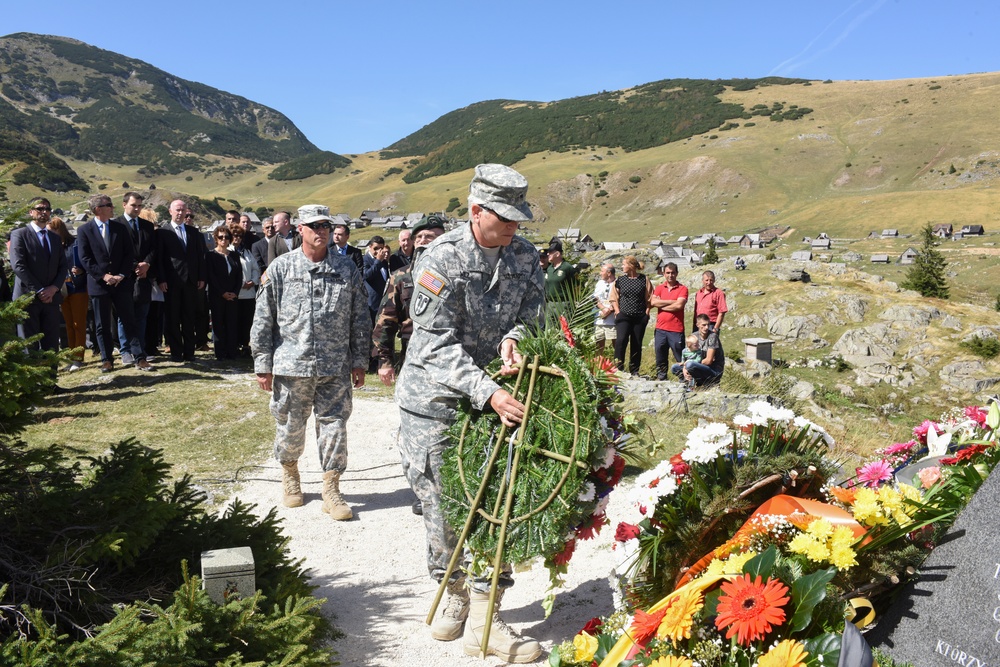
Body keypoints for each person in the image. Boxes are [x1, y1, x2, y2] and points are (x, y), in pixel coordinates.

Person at [395, 164, 544, 662]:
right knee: (439, 503)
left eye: (519, 218)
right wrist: (487, 390)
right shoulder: (441, 258)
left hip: (493, 400)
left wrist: (514, 340)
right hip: (434, 402)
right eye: (504, 218)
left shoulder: (525, 255)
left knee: (495, 501)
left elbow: (531, 316)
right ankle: (453, 591)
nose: (514, 228)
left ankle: (488, 617)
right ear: (475, 210)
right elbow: (433, 343)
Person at [250, 209, 370, 522]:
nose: (322, 231)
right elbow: (264, 316)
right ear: (300, 229)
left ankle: (331, 489)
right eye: (315, 226)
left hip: (335, 365)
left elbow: (360, 316)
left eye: (327, 226)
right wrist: (262, 362)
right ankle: (290, 474)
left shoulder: (346, 268)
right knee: (291, 426)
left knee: (334, 425)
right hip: (293, 365)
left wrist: (359, 360)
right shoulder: (281, 268)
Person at [77, 194, 151, 373]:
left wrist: (122, 275)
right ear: (97, 209)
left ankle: (139, 357)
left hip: (121, 283)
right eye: (108, 205)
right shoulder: (84, 230)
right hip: (99, 285)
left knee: (129, 320)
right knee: (102, 324)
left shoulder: (120, 228)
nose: (112, 207)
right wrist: (103, 276)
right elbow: (85, 258)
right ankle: (107, 359)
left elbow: (128, 254)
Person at [373, 214, 446, 387]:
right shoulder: (400, 277)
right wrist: (384, 361)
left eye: (430, 236)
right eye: (419, 237)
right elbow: (386, 320)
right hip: (412, 355)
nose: (423, 240)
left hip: (449, 354)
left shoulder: (457, 275)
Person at [9, 197, 67, 354]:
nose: (44, 212)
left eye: (47, 209)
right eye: (40, 208)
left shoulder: (55, 238)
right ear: (31, 212)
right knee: (30, 345)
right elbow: (18, 266)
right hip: (27, 298)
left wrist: (54, 288)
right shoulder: (19, 235)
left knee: (51, 344)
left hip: (51, 299)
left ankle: (51, 377)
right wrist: (40, 290)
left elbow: (63, 266)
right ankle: (35, 379)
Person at [156, 200, 206, 362]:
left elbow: (200, 257)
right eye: (177, 210)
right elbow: (160, 259)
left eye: (183, 210)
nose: (180, 213)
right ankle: (176, 353)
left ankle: (189, 352)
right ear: (170, 211)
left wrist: (201, 277)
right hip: (171, 282)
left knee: (189, 318)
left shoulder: (194, 232)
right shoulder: (163, 232)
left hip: (191, 282)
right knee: (172, 318)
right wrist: (161, 279)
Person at [114, 192, 156, 364]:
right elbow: (115, 251)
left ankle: (140, 350)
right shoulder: (116, 224)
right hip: (124, 277)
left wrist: (146, 264)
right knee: (124, 316)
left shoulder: (147, 225)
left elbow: (153, 249)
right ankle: (125, 351)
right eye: (134, 205)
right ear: (124, 205)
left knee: (141, 315)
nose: (137, 208)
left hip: (143, 277)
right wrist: (134, 266)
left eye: (140, 205)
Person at [47, 217, 87, 370]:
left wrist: (81, 270)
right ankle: (72, 357)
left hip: (78, 288)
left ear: (59, 229)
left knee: (78, 324)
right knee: (69, 325)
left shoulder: (75, 243)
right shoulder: (53, 246)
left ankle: (78, 358)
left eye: (52, 231)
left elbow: (84, 260)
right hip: (62, 289)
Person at [609, 255, 652, 376]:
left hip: (639, 317)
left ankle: (634, 370)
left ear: (631, 266)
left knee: (636, 343)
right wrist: (617, 312)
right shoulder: (620, 280)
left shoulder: (644, 279)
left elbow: (649, 298)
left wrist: (647, 313)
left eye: (624, 264)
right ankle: (618, 368)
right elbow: (613, 298)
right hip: (624, 316)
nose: (622, 266)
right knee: (621, 341)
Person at [206, 226, 242, 360]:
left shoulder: (234, 255)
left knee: (232, 324)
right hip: (217, 295)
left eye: (226, 237)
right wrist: (222, 293)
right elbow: (211, 276)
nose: (224, 239)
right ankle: (220, 353)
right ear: (216, 238)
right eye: (221, 237)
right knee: (218, 324)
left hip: (233, 296)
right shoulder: (210, 255)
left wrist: (235, 292)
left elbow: (239, 276)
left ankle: (232, 352)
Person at [649, 262, 688, 380]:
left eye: (673, 273)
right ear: (664, 274)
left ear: (677, 273)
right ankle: (662, 378)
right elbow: (653, 302)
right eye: (668, 273)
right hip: (660, 329)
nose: (670, 275)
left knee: (680, 357)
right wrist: (672, 301)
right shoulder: (660, 288)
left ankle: (684, 379)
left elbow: (679, 306)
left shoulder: (683, 288)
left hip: (676, 329)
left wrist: (662, 305)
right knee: (660, 355)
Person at [230, 224, 261, 357]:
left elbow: (256, 269)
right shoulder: (228, 251)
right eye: (235, 235)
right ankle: (234, 344)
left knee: (247, 321)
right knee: (234, 321)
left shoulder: (247, 252)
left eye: (240, 236)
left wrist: (253, 281)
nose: (237, 238)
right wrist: (240, 283)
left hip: (248, 293)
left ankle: (245, 344)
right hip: (235, 293)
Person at [672, 313, 725, 387]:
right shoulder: (694, 336)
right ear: (697, 325)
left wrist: (688, 365)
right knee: (675, 368)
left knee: (690, 365)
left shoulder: (713, 337)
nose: (706, 327)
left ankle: (708, 383)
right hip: (697, 366)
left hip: (713, 370)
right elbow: (688, 355)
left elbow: (709, 361)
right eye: (703, 325)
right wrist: (685, 368)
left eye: (708, 325)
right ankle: (687, 382)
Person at [362, 235, 390, 325]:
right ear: (370, 247)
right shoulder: (365, 260)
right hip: (372, 305)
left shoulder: (384, 262)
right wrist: (377, 261)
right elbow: (367, 275)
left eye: (381, 248)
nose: (378, 251)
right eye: (375, 248)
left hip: (384, 303)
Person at [592, 262, 616, 356]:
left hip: (613, 321)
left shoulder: (617, 283)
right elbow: (595, 298)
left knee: (616, 344)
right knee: (598, 345)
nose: (600, 273)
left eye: (602, 271)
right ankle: (598, 366)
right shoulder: (599, 283)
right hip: (599, 319)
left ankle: (617, 366)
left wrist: (608, 311)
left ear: (609, 273)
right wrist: (603, 309)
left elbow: (619, 300)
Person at [692, 269, 728, 334]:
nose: (709, 282)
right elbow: (695, 311)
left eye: (711, 280)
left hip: (710, 325)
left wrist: (716, 328)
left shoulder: (719, 293)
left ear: (714, 280)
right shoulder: (699, 293)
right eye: (706, 280)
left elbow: (721, 312)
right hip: (698, 325)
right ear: (702, 281)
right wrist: (694, 325)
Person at [544, 237, 577, 303]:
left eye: (550, 252)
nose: (548, 254)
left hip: (563, 304)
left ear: (557, 254)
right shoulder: (549, 268)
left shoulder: (567, 267)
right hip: (550, 304)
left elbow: (576, 287)